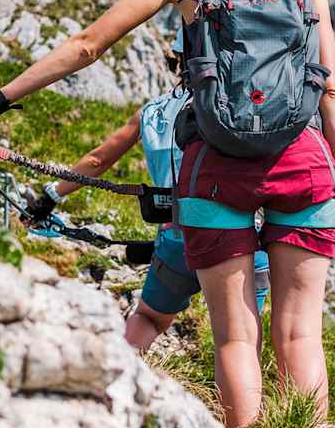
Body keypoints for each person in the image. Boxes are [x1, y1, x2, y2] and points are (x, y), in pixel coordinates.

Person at [0, 0, 335, 428]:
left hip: (216, 168)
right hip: (304, 164)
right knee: (300, 332)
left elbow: (88, 46)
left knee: (235, 338)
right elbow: (329, 90)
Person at [23, 78, 270, 353]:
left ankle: (120, 373)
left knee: (149, 318)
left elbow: (98, 160)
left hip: (176, 238)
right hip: (238, 240)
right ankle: (243, 394)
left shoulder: (151, 112)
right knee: (240, 337)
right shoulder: (236, 104)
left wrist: (51, 197)